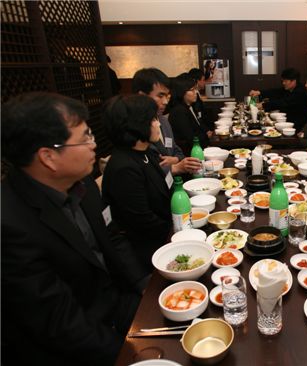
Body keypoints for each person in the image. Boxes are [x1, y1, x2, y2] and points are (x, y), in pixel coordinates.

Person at [1, 92, 147, 365]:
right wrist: (131, 354)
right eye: (85, 137)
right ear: (48, 157)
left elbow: (113, 236)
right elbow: (58, 323)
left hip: (117, 303)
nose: (94, 145)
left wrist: (143, 285)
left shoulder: (84, 183)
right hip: (75, 341)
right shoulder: (9, 224)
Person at [101, 95, 171, 271]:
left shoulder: (146, 153)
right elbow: (143, 221)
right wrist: (177, 230)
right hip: (147, 255)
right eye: (153, 119)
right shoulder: (123, 167)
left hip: (163, 237)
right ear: (136, 123)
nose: (158, 124)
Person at [132, 68, 201, 176]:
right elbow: (142, 170)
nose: (165, 102)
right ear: (142, 96)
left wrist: (175, 159)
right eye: (160, 96)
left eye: (167, 96)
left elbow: (177, 151)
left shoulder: (163, 120)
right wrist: (175, 168)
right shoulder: (133, 128)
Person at [249, 67, 307, 132]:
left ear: (294, 81)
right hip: (287, 121)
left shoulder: (300, 92)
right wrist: (259, 92)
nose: (283, 83)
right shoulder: (289, 88)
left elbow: (283, 102)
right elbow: (275, 91)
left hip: (297, 126)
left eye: (285, 81)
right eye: (282, 81)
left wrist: (263, 105)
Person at [168, 76, 211, 155]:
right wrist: (205, 135)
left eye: (195, 89)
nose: (195, 92)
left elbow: (198, 125)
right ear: (182, 92)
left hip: (198, 147)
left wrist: (207, 132)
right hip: (188, 153)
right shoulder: (179, 111)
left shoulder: (190, 106)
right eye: (192, 90)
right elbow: (190, 138)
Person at [188, 67, 215, 135]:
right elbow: (198, 118)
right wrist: (207, 131)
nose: (204, 82)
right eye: (203, 80)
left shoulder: (197, 93)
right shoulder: (193, 99)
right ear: (196, 81)